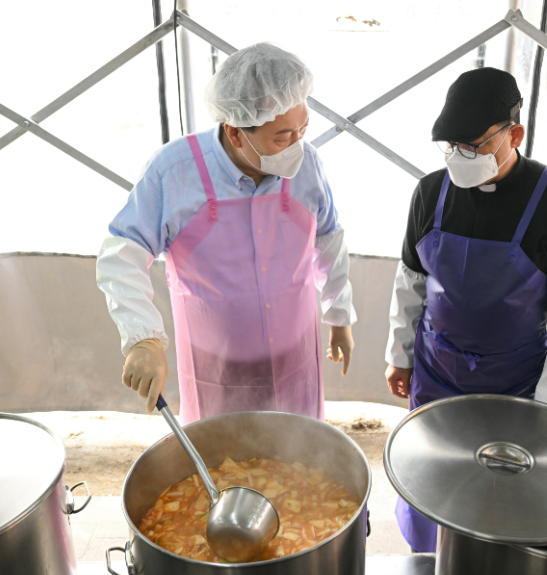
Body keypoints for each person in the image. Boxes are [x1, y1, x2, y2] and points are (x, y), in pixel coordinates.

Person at [384, 68, 547, 553]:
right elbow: (411, 280)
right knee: (430, 484)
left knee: (500, 501)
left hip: (514, 386)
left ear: (514, 135)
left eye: (474, 147)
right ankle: (424, 557)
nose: (460, 159)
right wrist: (399, 353)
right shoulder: (430, 192)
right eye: (451, 147)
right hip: (436, 373)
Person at [96, 43, 356, 422]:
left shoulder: (308, 165)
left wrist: (340, 315)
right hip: (215, 367)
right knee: (223, 463)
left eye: (303, 129)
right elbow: (123, 254)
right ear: (235, 133)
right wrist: (144, 338)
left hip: (293, 357)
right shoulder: (175, 171)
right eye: (282, 138)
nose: (297, 146)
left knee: (300, 461)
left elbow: (329, 239)